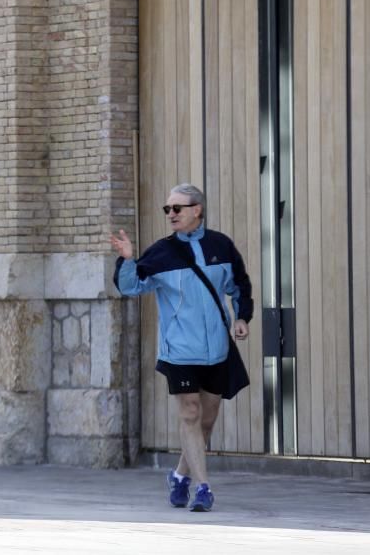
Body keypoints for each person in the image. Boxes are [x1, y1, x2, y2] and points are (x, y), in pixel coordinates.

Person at [109, 183, 252, 512]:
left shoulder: (221, 246)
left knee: (206, 421)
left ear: (197, 210)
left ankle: (179, 476)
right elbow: (131, 287)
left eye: (177, 208)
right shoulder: (160, 252)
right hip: (178, 350)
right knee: (189, 413)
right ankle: (203, 488)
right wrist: (128, 260)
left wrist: (242, 317)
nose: (170, 214)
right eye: (167, 209)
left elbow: (239, 284)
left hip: (216, 349)